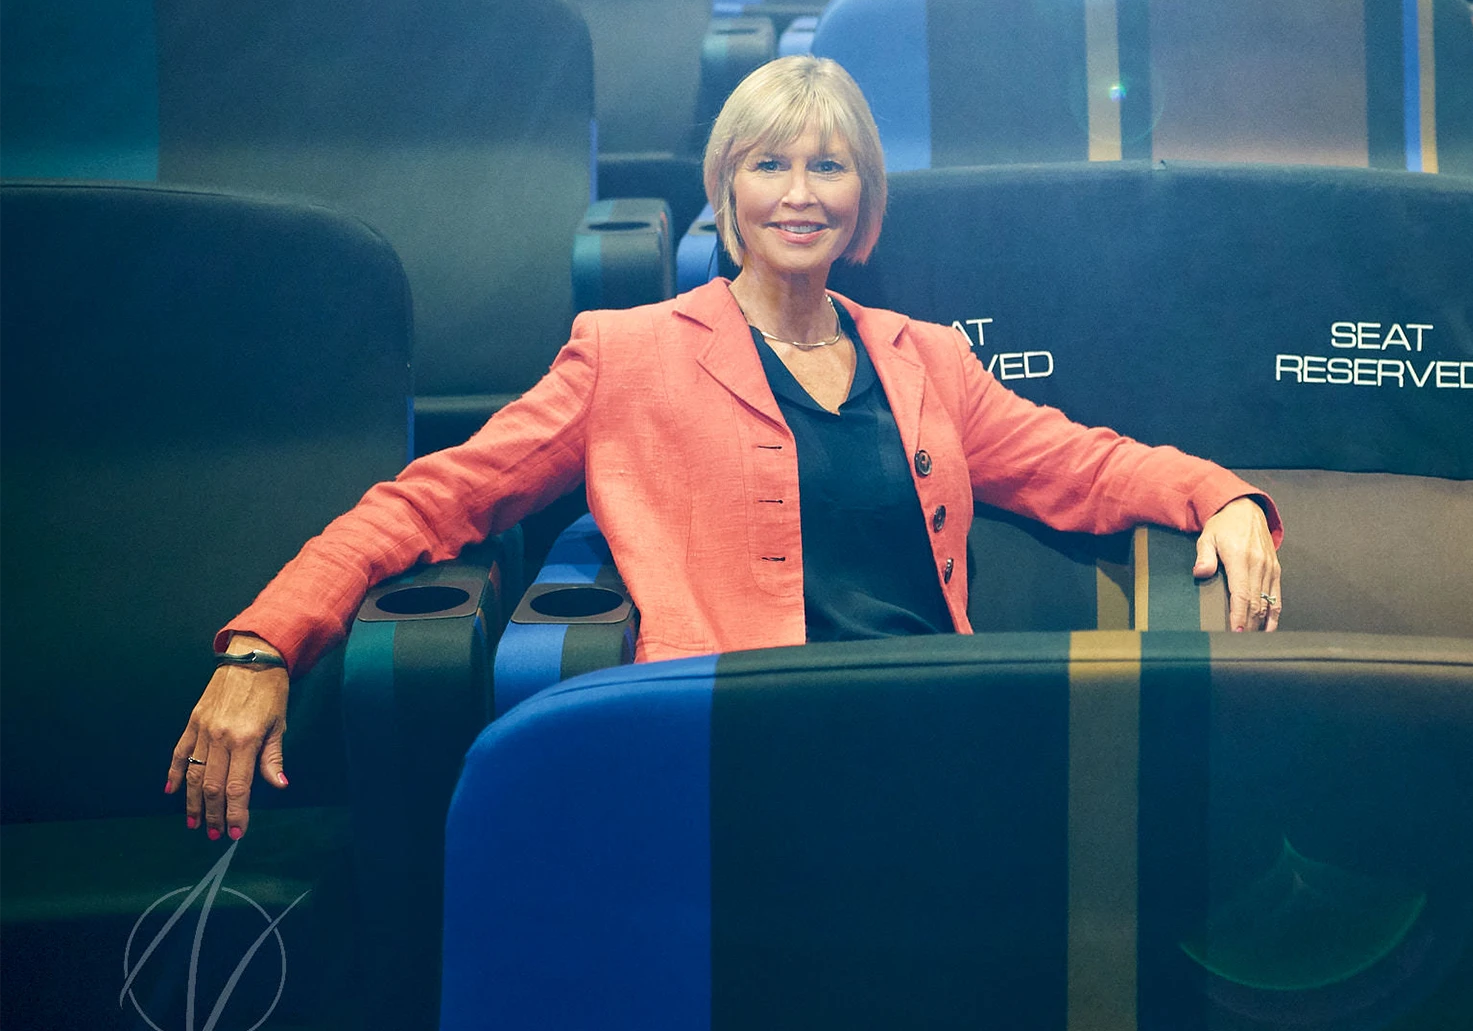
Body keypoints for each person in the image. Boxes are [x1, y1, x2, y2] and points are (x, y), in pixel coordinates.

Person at [169, 57, 1283, 841]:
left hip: (928, 723)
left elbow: (1083, 466)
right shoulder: (628, 353)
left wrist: (1223, 498)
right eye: (769, 165)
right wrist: (265, 643)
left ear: (867, 200)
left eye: (830, 167)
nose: (800, 194)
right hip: (735, 743)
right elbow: (430, 503)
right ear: (726, 189)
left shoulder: (927, 358)